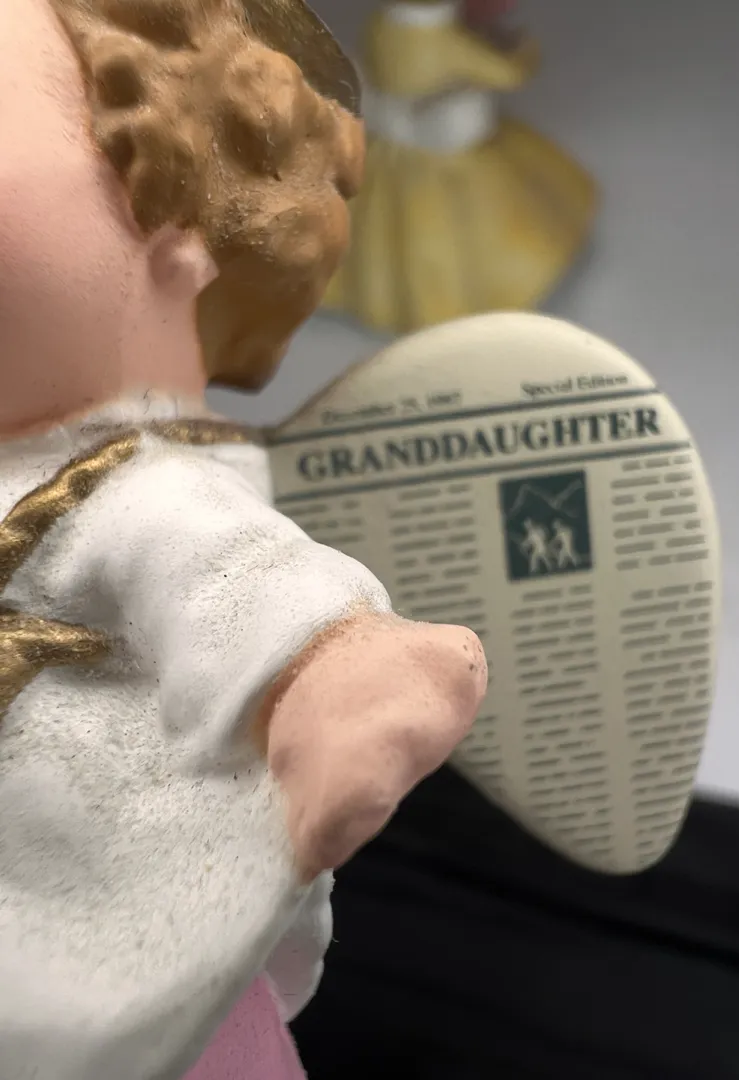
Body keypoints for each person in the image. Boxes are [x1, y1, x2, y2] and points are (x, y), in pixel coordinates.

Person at [0, 2, 487, 1078]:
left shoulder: (138, 494)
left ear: (180, 239)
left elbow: (251, 588)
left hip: (118, 960)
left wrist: (342, 680)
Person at [321, 0, 598, 333]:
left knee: (388, 228)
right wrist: (515, 48)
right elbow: (510, 71)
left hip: (398, 151)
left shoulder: (383, 28)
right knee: (449, 232)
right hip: (437, 159)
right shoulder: (447, 43)